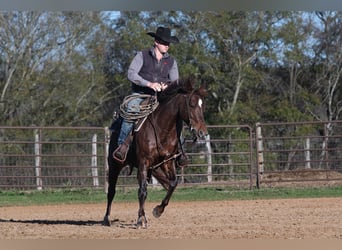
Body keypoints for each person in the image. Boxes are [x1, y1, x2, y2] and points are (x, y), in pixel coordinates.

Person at [113, 26, 187, 167]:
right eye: (164, 43)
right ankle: (122, 146)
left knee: (177, 114)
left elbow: (175, 82)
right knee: (131, 110)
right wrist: (149, 84)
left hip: (162, 97)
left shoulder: (171, 61)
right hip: (141, 94)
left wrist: (168, 87)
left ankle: (179, 149)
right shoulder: (142, 55)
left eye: (168, 43)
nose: (167, 46)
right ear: (156, 42)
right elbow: (131, 74)